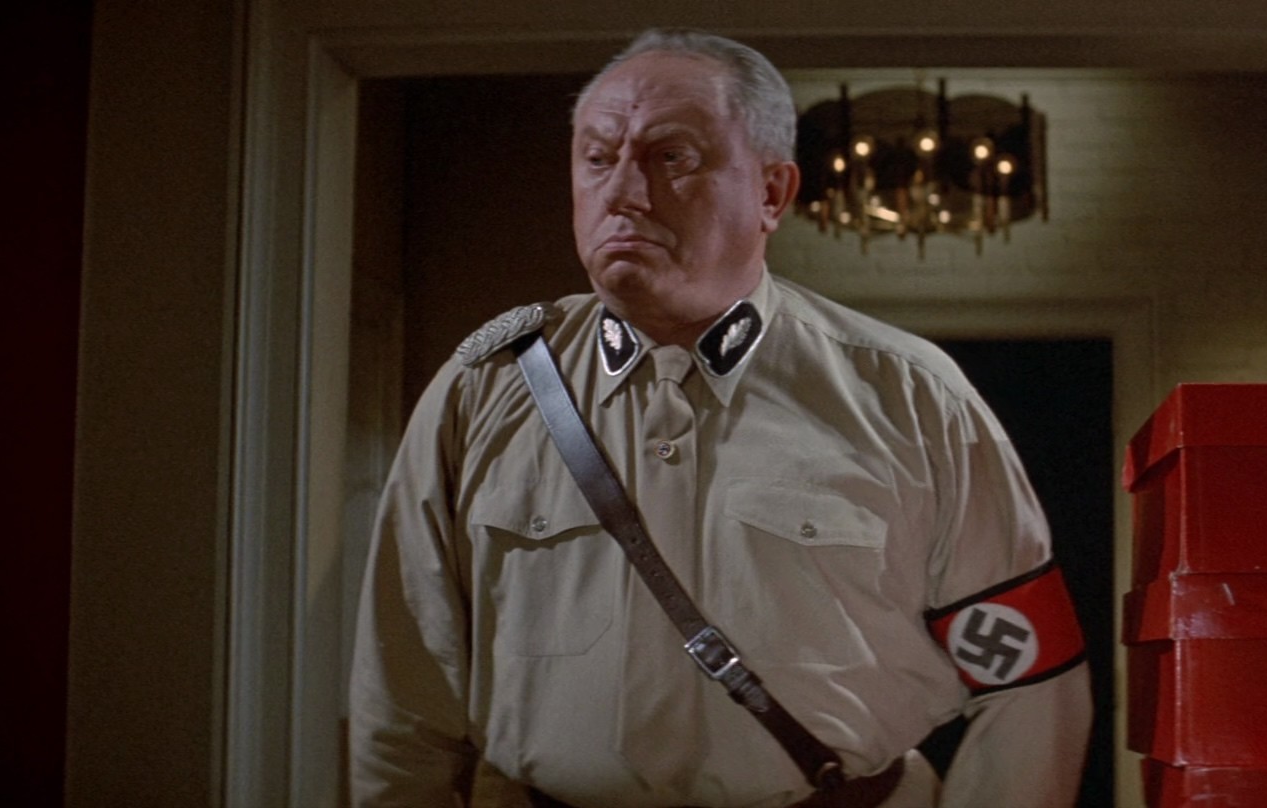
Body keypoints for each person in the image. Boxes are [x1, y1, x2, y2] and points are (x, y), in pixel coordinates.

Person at [349, 28, 1091, 808]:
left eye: (671, 157)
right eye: (598, 158)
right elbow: (403, 695)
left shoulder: (910, 395)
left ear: (772, 192)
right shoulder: (484, 389)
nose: (623, 193)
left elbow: (1031, 685)